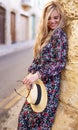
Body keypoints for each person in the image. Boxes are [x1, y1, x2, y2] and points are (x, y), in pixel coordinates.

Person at [17, 1, 68, 130]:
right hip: (38, 83)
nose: (52, 21)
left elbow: (59, 63)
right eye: (49, 18)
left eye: (56, 17)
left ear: (60, 17)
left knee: (39, 124)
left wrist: (38, 74)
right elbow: (37, 60)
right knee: (24, 119)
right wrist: (30, 75)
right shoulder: (45, 36)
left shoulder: (59, 34)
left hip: (49, 86)